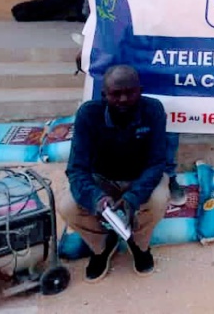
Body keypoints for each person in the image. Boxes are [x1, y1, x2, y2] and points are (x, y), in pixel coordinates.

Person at [91, 0, 186, 207]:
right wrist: (86, 41)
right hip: (122, 38)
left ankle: (169, 174)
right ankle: (120, 176)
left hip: (162, 33)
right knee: (120, 105)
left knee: (166, 107)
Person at [60, 65, 169, 282]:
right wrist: (96, 198)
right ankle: (102, 246)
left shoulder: (153, 110)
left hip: (140, 178)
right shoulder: (88, 114)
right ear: (104, 94)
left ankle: (138, 244)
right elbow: (76, 168)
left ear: (141, 90)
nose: (123, 99)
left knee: (158, 200)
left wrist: (132, 197)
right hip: (102, 179)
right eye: (115, 94)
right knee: (67, 206)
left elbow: (157, 163)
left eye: (130, 92)